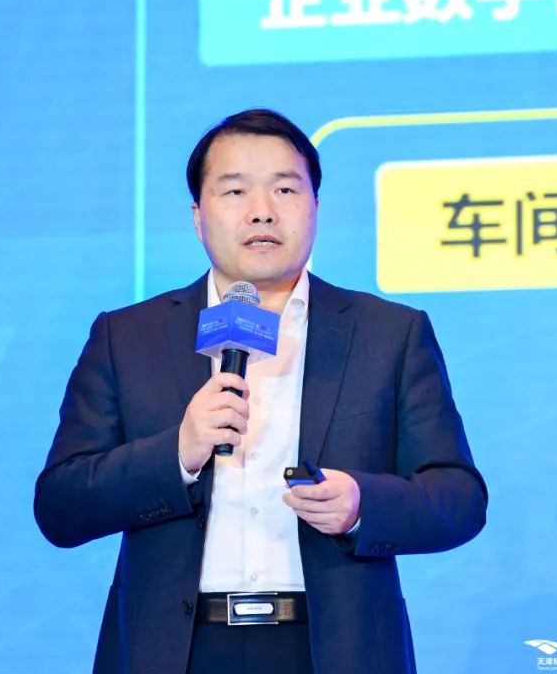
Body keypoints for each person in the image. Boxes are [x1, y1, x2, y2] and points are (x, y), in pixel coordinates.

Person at [34, 108, 487, 674]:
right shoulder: (127, 337)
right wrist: (177, 454)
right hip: (176, 652)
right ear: (198, 217)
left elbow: (458, 499)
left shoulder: (389, 334)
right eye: (235, 191)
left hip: (332, 651)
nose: (262, 211)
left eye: (285, 189)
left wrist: (361, 506)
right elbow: (61, 506)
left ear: (315, 208)